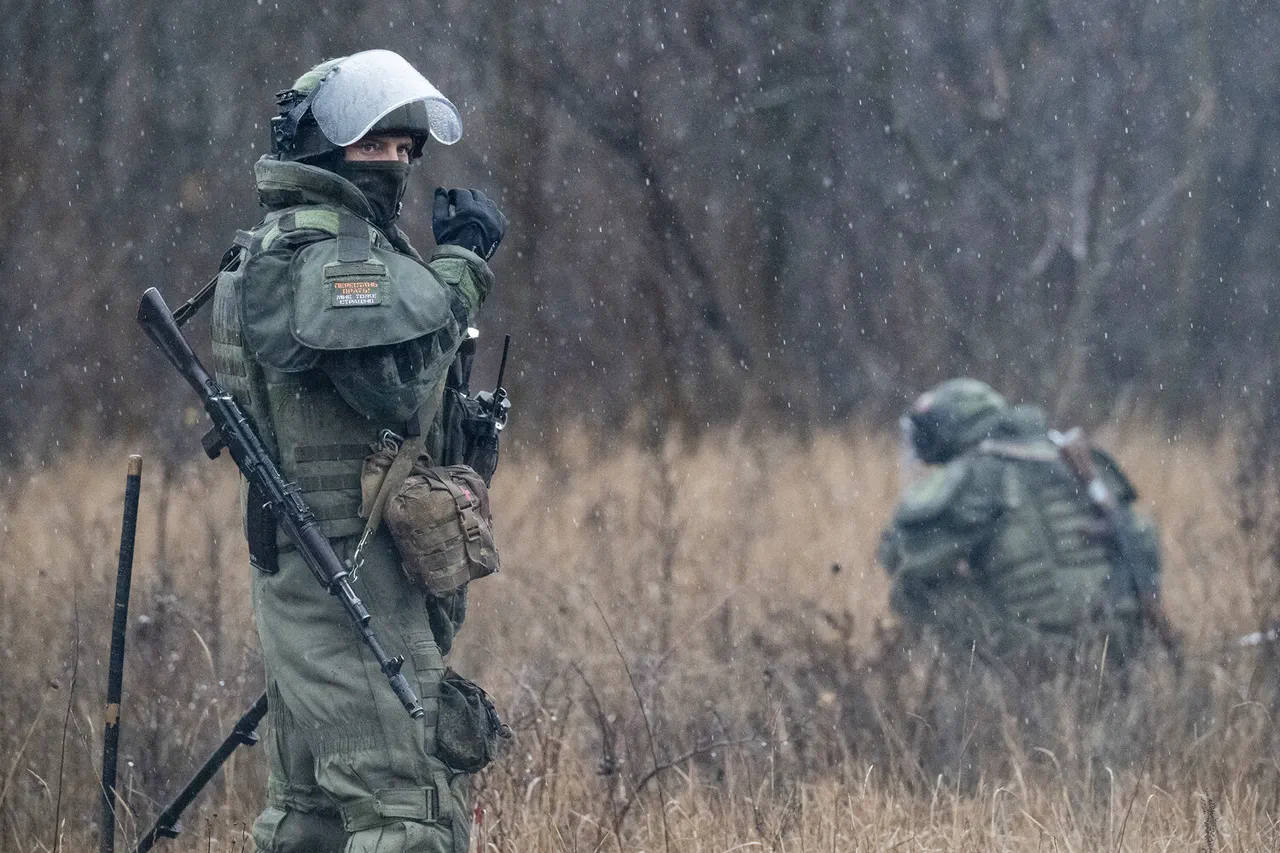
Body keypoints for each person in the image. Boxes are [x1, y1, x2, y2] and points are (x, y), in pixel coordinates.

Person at [209, 50, 507, 853]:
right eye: (372, 144)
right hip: (341, 562)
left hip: (327, 558)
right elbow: (390, 389)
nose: (395, 162)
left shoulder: (289, 247)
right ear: (320, 149)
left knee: (314, 816)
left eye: (405, 147)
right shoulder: (328, 254)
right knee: (408, 807)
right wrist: (462, 269)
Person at [877, 378, 1165, 679]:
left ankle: (975, 687)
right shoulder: (1084, 460)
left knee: (910, 590)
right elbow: (1143, 543)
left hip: (1037, 653)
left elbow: (903, 560)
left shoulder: (979, 473)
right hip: (1116, 649)